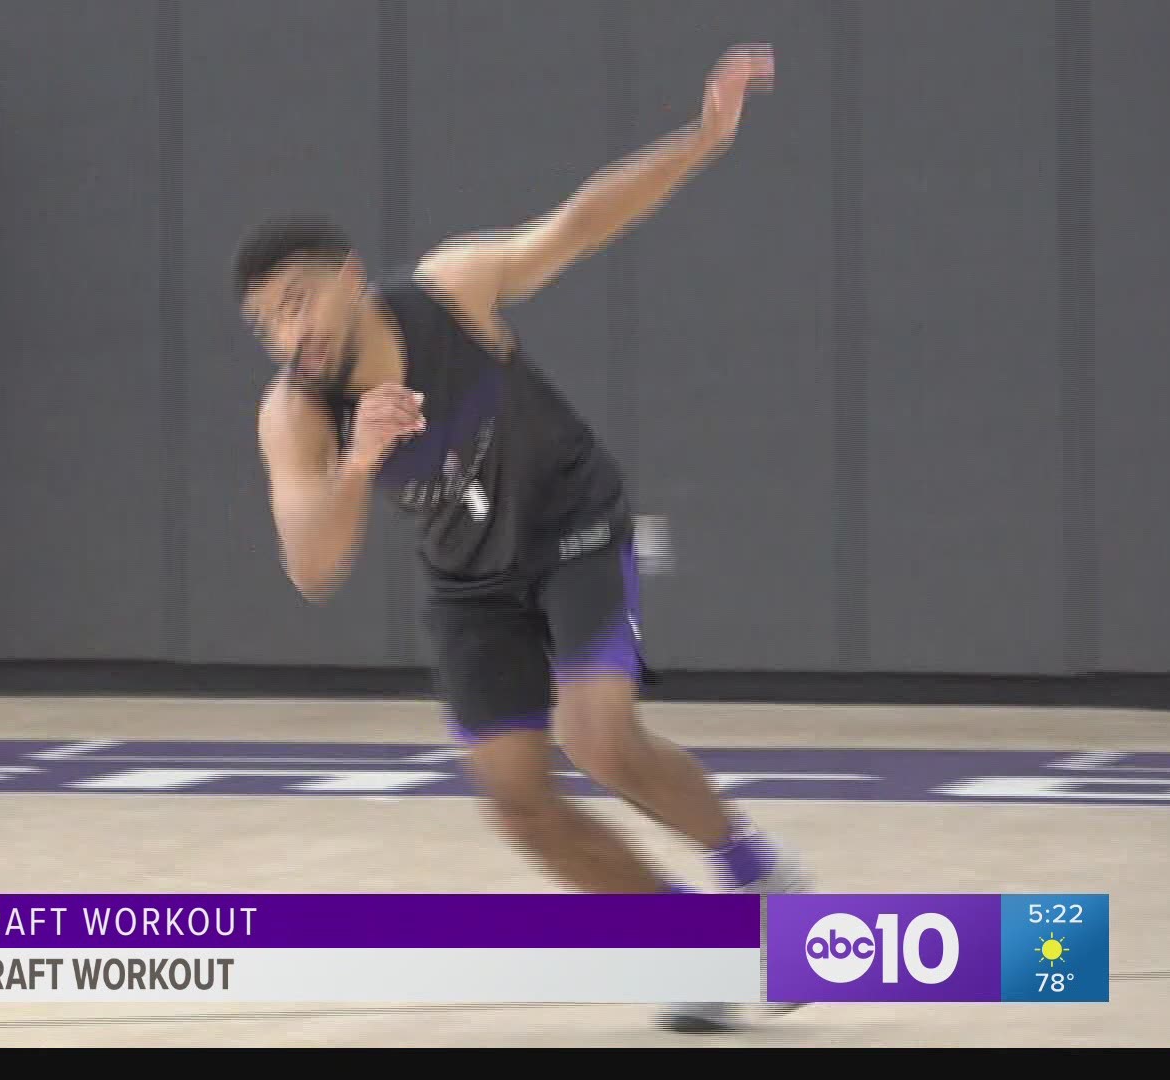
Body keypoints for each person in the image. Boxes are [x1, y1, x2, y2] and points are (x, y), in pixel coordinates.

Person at [236, 45, 804, 1033]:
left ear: (351, 279)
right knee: (515, 800)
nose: (290, 338)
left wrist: (705, 139)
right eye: (266, 327)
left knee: (598, 740)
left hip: (570, 518)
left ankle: (760, 877)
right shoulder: (294, 416)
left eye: (297, 305)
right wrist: (360, 462)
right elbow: (313, 569)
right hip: (471, 583)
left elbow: (583, 221)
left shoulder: (450, 289)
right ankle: (680, 941)